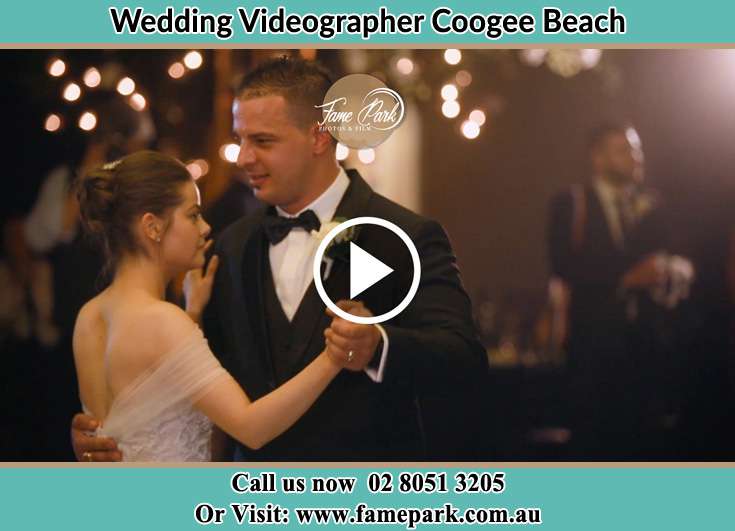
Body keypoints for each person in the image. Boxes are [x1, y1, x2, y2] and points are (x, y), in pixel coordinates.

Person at [72, 56, 487, 462]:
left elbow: (463, 358)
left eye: (263, 141)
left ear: (320, 137)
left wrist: (379, 345)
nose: (244, 157)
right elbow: (188, 384)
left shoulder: (406, 235)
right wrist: (113, 434)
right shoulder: (228, 246)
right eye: (240, 140)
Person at [71, 150, 354, 461]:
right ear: (152, 227)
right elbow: (251, 427)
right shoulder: (162, 321)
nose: (205, 227)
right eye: (192, 215)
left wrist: (193, 313)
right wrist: (335, 356)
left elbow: (144, 405)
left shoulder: (89, 315)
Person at [548, 123, 692, 459]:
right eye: (623, 149)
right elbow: (562, 264)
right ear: (598, 158)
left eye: (637, 149)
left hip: (646, 349)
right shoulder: (572, 203)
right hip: (593, 350)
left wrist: (674, 268)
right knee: (594, 445)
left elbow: (672, 253)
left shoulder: (652, 204)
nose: (635, 157)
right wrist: (625, 279)